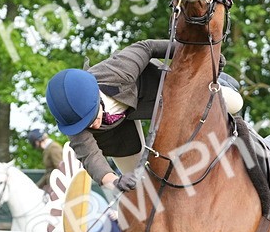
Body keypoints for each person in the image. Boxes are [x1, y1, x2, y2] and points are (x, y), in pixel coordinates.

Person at [46, 39, 243, 191]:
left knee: (234, 103)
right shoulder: (73, 122)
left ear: (96, 97)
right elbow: (91, 158)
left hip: (155, 91)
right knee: (140, 188)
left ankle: (211, 83)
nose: (94, 126)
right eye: (86, 125)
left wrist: (198, 55)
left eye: (92, 118)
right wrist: (115, 182)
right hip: (118, 137)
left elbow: (148, 47)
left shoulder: (118, 71)